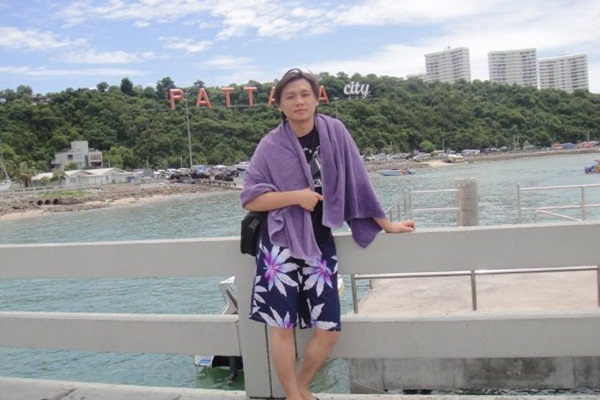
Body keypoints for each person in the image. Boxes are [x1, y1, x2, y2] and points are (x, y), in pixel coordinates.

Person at [240, 68, 415, 400]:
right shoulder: (270, 145)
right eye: (290, 97)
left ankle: (300, 388)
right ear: (279, 105)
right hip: (279, 242)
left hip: (320, 240)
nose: (299, 102)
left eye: (305, 94)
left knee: (329, 328)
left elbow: (358, 182)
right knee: (282, 326)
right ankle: (295, 397)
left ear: (317, 97)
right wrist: (296, 196)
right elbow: (250, 199)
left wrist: (386, 224)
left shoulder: (334, 132)